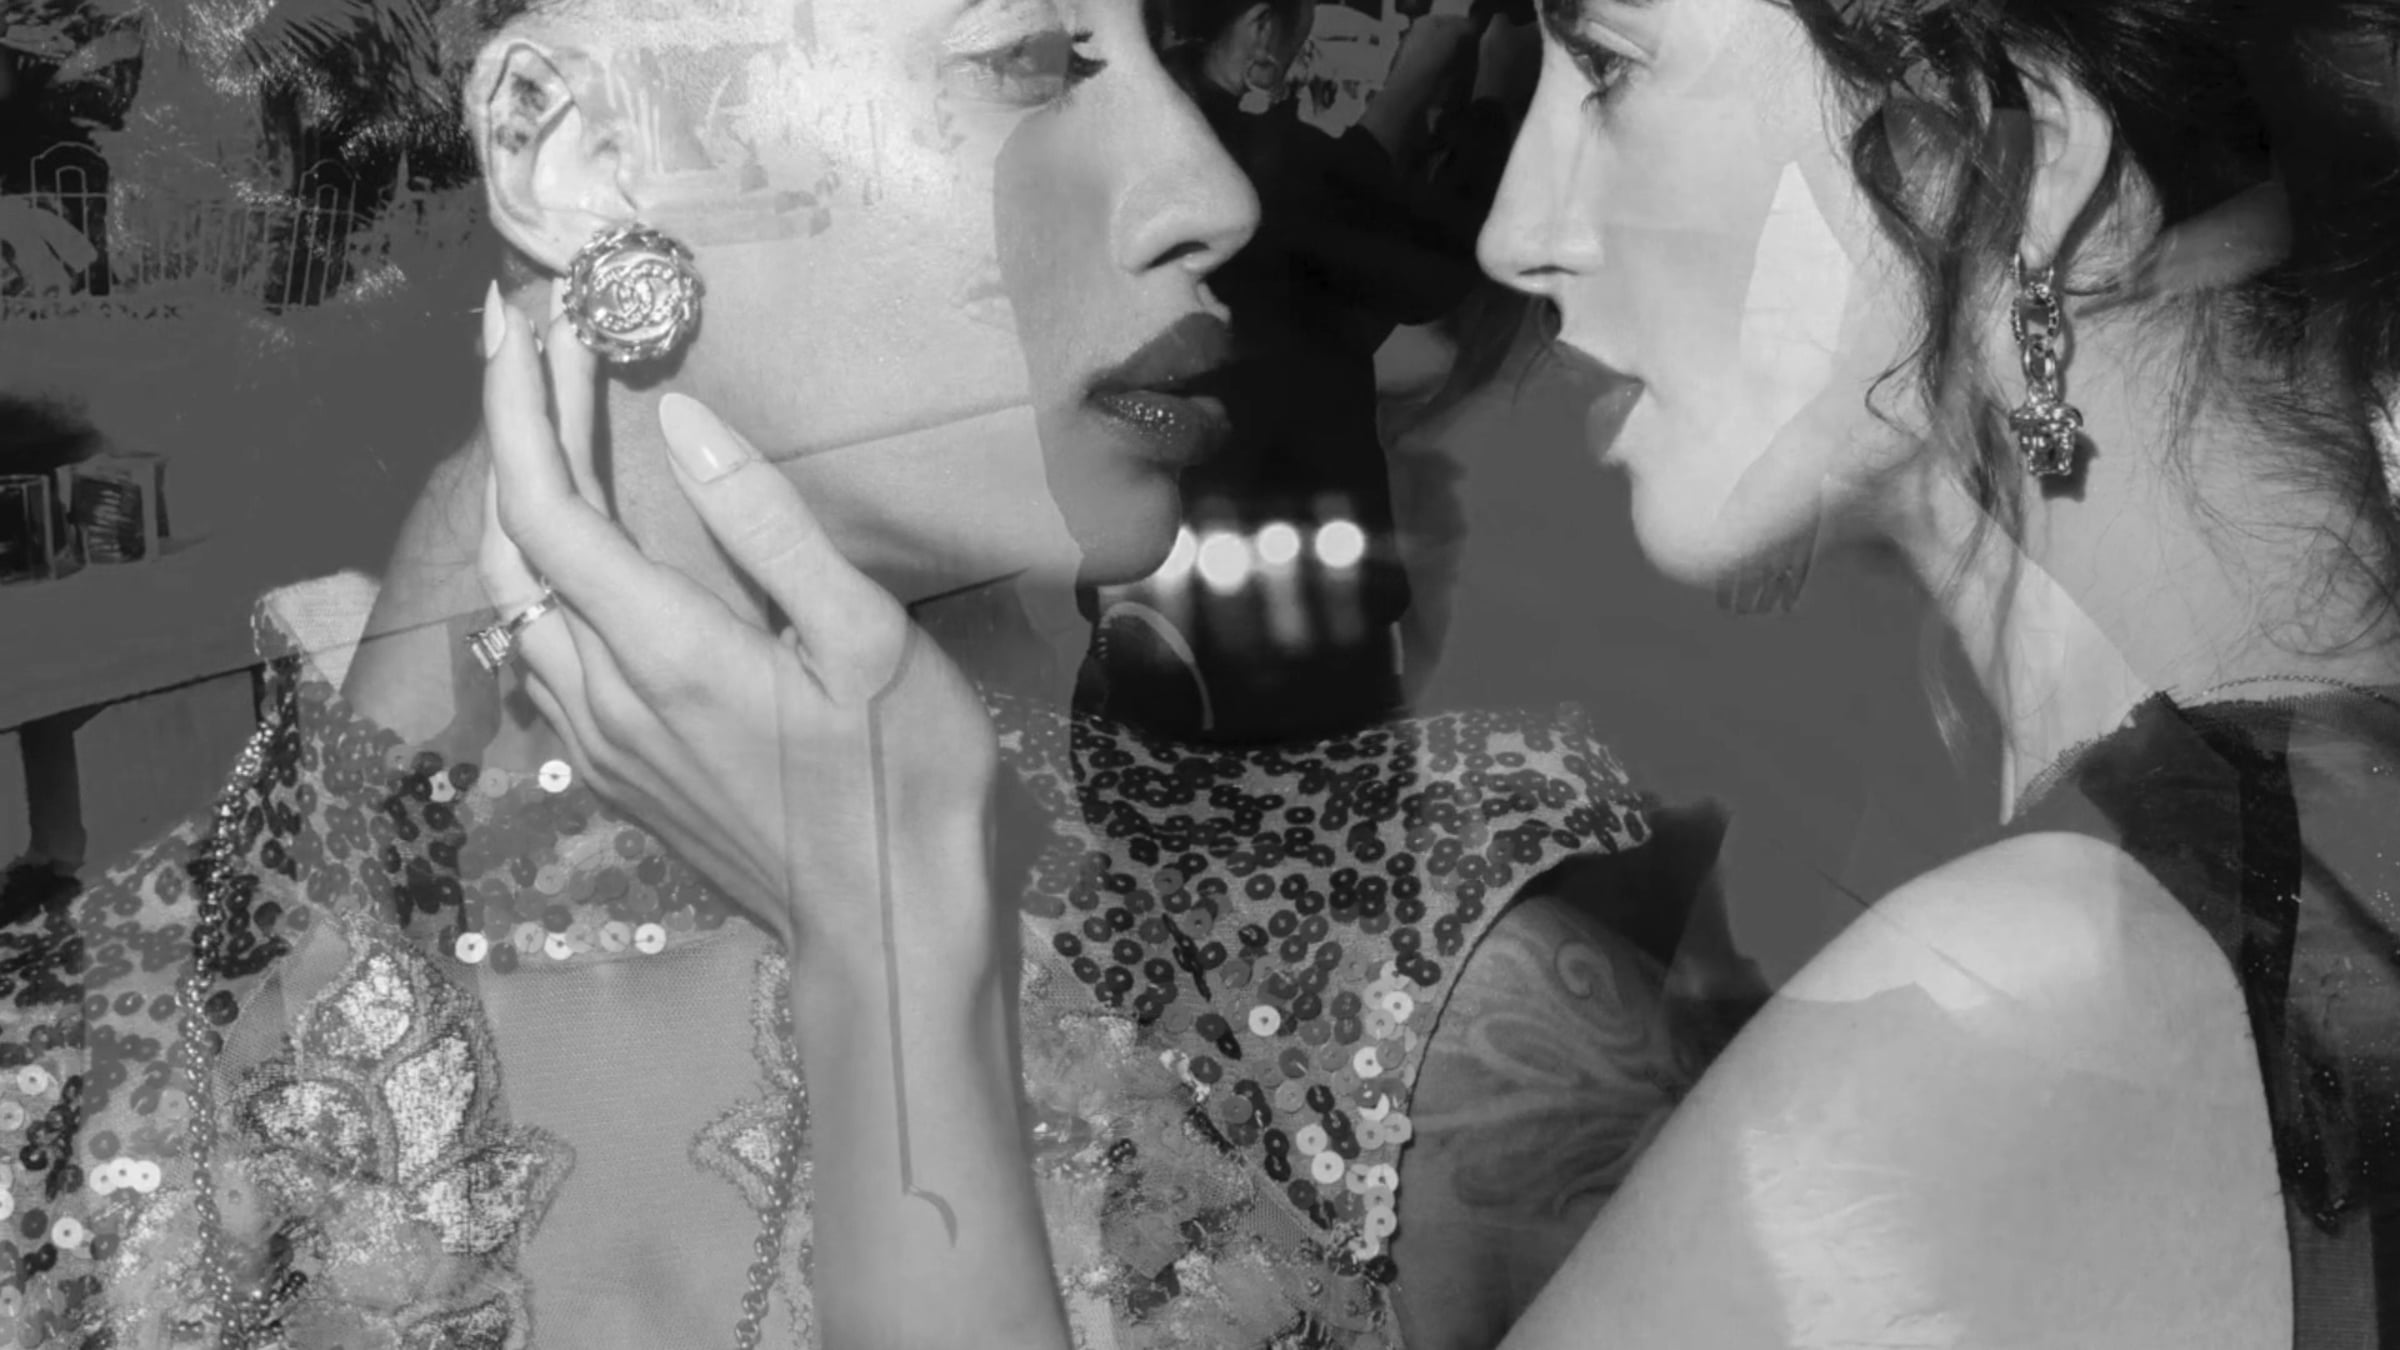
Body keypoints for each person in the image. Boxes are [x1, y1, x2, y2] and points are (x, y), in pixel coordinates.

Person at [0, 2, 1723, 1349]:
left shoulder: (1435, 1042)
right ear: (573, 151)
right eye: (1032, 57)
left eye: (1176, 53)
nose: (1212, 190)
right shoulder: (78, 1091)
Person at [1464, 0, 2400, 1345]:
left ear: (2015, 166)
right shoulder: (2281, 874)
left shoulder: (2028, 1004)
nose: (1514, 232)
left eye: (1609, 66)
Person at [1076, 0, 1531, 742]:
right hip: (1288, 626)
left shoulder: (1095, 151)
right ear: (1261, 27)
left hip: (1137, 592)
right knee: (1316, 803)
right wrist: (1493, 100)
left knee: (1147, 789)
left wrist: (1406, 90)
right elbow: (1435, 269)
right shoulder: (1261, 170)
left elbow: (1314, 231)